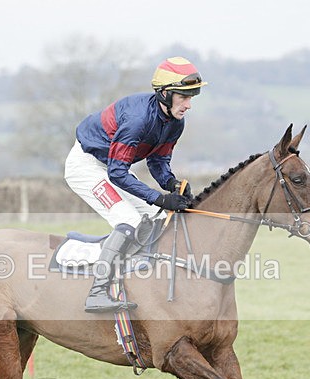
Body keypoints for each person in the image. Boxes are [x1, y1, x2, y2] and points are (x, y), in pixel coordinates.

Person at [64, 56, 207, 313]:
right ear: (164, 93)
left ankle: (143, 281)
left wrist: (171, 184)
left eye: (191, 97)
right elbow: (118, 174)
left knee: (156, 216)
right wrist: (159, 197)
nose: (189, 105)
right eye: (183, 97)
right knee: (129, 221)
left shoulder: (175, 123)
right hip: (86, 166)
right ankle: (97, 292)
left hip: (111, 166)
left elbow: (158, 161)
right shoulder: (137, 119)